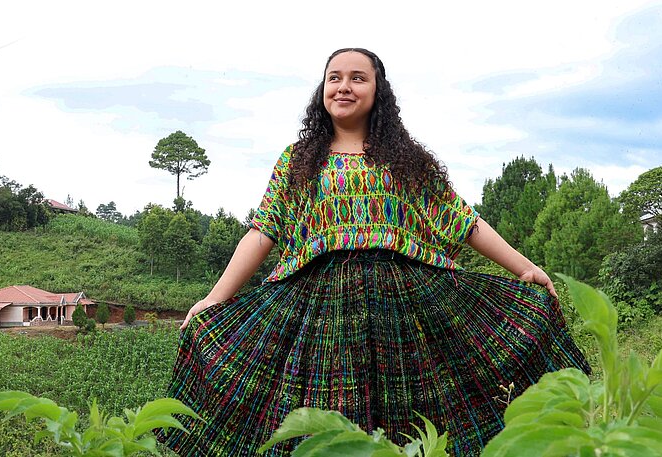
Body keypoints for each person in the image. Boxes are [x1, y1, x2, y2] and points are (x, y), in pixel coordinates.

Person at [157, 48, 590, 457]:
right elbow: (262, 231)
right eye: (334, 78)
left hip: (404, 306)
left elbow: (463, 221)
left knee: (414, 419)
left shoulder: (407, 160)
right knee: (325, 420)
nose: (344, 86)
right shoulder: (298, 160)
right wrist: (214, 299)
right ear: (322, 90)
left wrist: (525, 267)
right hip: (320, 309)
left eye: (357, 78)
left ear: (378, 91)